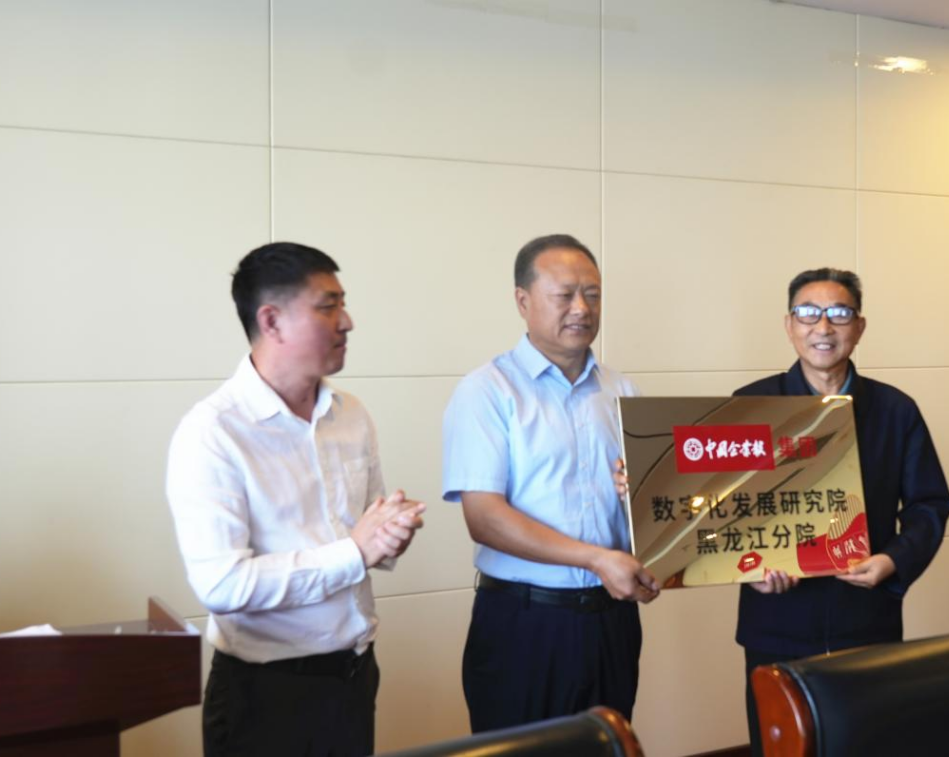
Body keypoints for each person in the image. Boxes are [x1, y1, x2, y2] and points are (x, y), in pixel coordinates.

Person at [166, 242, 425, 757]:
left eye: (342, 304)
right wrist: (355, 551)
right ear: (272, 321)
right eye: (328, 307)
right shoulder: (213, 432)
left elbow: (365, 536)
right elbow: (222, 584)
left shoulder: (350, 413)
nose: (347, 322)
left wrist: (389, 534)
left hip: (353, 677)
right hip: (264, 696)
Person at [442, 233, 660, 732]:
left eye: (593, 294)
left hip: (611, 621)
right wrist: (595, 558)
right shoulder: (486, 392)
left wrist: (643, 505)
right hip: (524, 623)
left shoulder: (623, 391)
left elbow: (648, 509)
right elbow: (485, 519)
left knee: (608, 744)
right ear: (523, 301)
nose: (581, 308)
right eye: (564, 295)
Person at [735, 267, 949, 756]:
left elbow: (930, 504)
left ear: (859, 326)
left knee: (869, 743)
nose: (823, 327)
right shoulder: (749, 405)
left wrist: (893, 560)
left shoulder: (896, 410)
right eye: (808, 313)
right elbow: (720, 510)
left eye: (839, 313)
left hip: (866, 617)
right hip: (776, 619)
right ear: (789, 325)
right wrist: (746, 568)